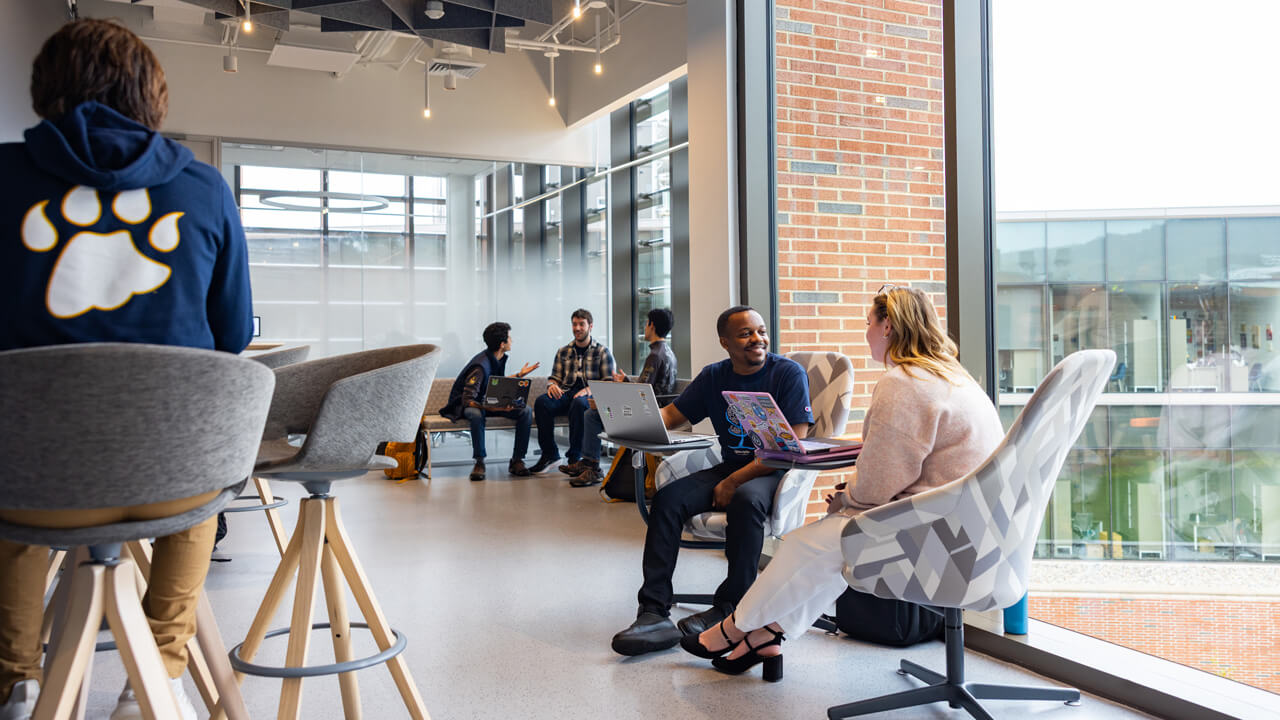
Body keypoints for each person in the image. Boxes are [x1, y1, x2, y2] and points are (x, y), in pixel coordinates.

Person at [0, 19, 254, 720]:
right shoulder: (206, 191)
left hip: (32, 485)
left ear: (45, 88)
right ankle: (163, 670)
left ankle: (16, 681)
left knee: (12, 467)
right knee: (209, 472)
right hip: (169, 483)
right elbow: (232, 338)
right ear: (152, 97)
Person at [680, 287, 1005, 679]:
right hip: (973, 533)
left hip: (933, 535)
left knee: (811, 543)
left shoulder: (902, 383)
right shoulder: (950, 373)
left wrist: (847, 498)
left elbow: (875, 489)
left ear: (886, 326)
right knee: (833, 545)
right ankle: (765, 634)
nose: (866, 332)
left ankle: (731, 630)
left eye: (868, 323)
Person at [610, 306, 812, 656]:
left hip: (775, 471)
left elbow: (791, 443)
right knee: (668, 499)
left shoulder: (787, 374)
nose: (757, 339)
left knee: (746, 500)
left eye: (760, 331)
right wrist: (627, 421)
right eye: (746, 334)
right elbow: (673, 415)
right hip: (731, 466)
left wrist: (734, 482)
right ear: (725, 342)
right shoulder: (715, 376)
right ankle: (653, 613)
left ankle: (731, 608)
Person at [569, 307, 678, 487]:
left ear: (652, 325)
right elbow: (648, 387)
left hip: (647, 415)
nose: (644, 327)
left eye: (646, 323)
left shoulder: (654, 355)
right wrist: (626, 380)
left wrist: (608, 400)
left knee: (592, 414)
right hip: (657, 409)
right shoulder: (667, 352)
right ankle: (589, 463)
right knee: (594, 412)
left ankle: (592, 466)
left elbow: (640, 394)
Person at [439, 322, 540, 481]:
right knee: (477, 414)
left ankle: (517, 460)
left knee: (525, 411)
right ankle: (480, 462)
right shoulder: (480, 366)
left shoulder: (495, 357)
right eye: (509, 338)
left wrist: (519, 375)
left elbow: (496, 382)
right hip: (468, 405)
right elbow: (468, 400)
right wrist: (495, 408)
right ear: (502, 344)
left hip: (488, 401)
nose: (512, 340)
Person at [528, 309, 617, 474]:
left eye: (581, 324)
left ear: (590, 326)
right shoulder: (564, 351)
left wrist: (588, 390)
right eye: (574, 324)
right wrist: (552, 385)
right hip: (567, 392)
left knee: (579, 403)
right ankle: (550, 454)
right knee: (542, 403)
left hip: (590, 396)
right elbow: (554, 377)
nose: (577, 328)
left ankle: (575, 459)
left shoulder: (602, 351)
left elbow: (608, 383)